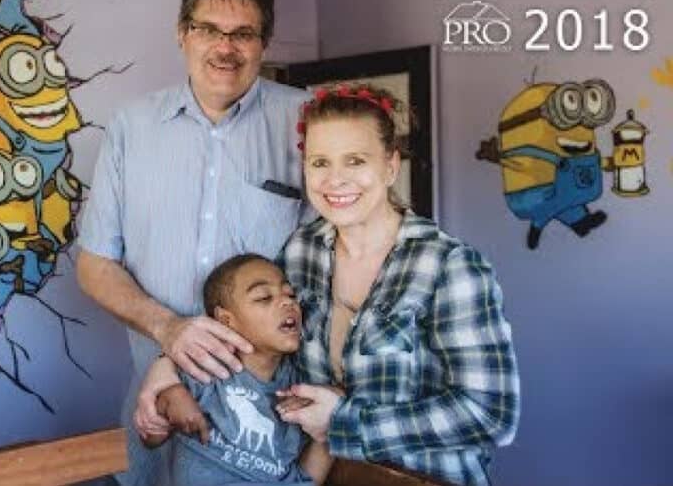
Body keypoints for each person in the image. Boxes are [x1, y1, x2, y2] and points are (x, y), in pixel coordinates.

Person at [138, 85, 521, 486]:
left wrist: (345, 422)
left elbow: (491, 415)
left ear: (391, 166)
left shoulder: (450, 266)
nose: (335, 180)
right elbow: (252, 333)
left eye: (355, 160)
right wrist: (166, 367)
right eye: (320, 162)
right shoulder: (302, 251)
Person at [76, 0, 309, 485]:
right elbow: (93, 265)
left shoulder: (306, 122)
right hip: (153, 402)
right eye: (208, 29)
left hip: (270, 426)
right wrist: (167, 330)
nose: (225, 47)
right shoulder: (131, 127)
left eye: (243, 33)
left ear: (263, 44)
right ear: (183, 33)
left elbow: (336, 258)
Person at [141, 253, 333, 485]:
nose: (288, 302)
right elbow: (150, 438)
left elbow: (307, 475)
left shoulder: (302, 383)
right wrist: (171, 400)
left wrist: (329, 420)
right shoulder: (203, 369)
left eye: (290, 294)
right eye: (263, 297)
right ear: (226, 320)